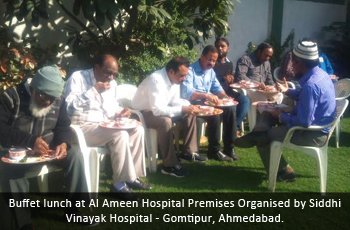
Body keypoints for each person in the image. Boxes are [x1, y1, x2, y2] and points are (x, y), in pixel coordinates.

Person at [0, 65, 92, 229]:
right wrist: (30, 141)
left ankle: (73, 210)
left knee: (75, 154)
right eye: (44, 96)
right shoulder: (11, 97)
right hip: (17, 152)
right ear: (33, 87)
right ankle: (24, 223)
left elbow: (63, 126)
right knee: (11, 169)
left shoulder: (59, 100)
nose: (48, 101)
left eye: (52, 97)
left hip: (47, 151)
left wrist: (63, 142)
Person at [234, 41, 336, 181]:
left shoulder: (311, 85)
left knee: (265, 136)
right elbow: (304, 97)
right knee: (269, 111)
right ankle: (258, 131)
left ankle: (284, 171)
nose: (291, 65)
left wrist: (281, 116)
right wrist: (287, 91)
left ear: (300, 63)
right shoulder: (320, 75)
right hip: (313, 124)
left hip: (312, 133)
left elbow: (304, 122)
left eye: (293, 62)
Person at [64, 54, 150, 200]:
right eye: (108, 72)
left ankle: (131, 177)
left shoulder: (112, 84)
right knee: (120, 135)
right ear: (96, 68)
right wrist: (94, 90)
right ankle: (118, 185)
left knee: (137, 129)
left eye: (114, 75)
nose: (111, 78)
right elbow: (69, 108)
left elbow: (110, 109)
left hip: (104, 125)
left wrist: (120, 112)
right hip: (82, 127)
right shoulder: (77, 78)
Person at [132, 57, 204, 177]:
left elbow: (175, 100)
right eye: (182, 75)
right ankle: (169, 165)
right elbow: (157, 110)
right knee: (165, 121)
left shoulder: (175, 80)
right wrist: (183, 109)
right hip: (141, 113)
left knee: (190, 112)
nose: (184, 79)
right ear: (171, 72)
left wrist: (190, 106)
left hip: (155, 110)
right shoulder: (156, 80)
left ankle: (188, 152)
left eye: (186, 75)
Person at [180, 45, 239, 162]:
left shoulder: (210, 72)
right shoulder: (190, 70)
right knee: (215, 113)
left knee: (230, 108)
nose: (212, 63)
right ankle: (214, 150)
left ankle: (229, 147)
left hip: (207, 102)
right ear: (202, 57)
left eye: (214, 61)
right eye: (209, 59)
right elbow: (187, 92)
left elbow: (217, 87)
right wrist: (206, 95)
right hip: (193, 102)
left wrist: (226, 97)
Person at [214, 37, 250, 137]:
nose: (220, 48)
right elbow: (212, 80)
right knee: (232, 105)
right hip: (216, 92)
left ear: (228, 49)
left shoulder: (229, 63)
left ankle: (235, 127)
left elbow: (228, 81)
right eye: (217, 46)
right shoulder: (212, 62)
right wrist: (223, 78)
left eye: (222, 46)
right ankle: (231, 130)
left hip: (228, 90)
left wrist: (232, 80)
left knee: (245, 100)